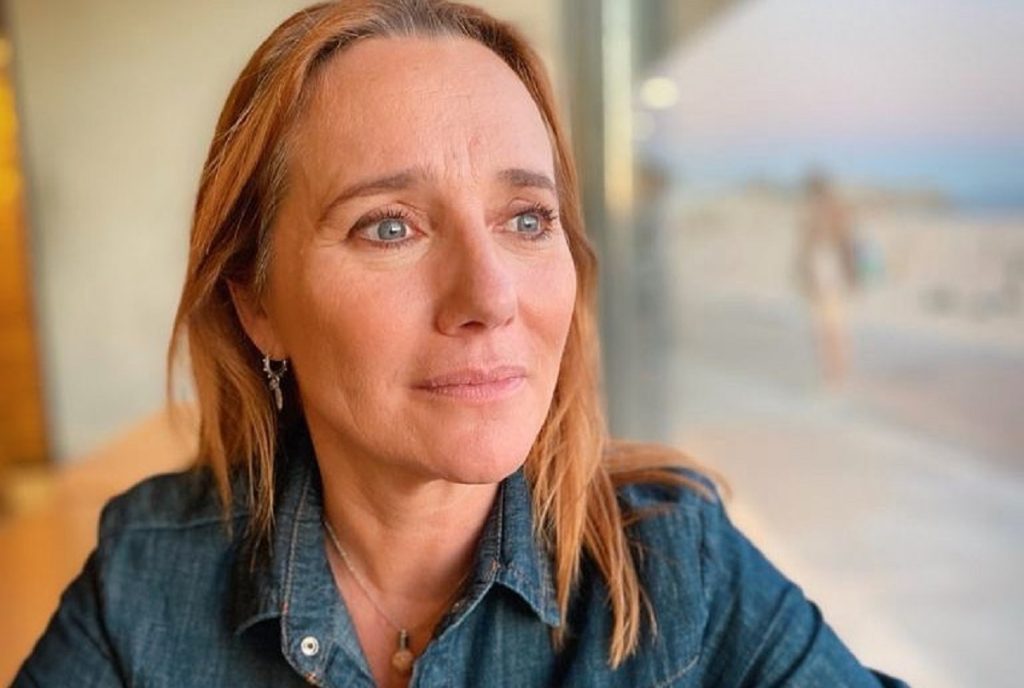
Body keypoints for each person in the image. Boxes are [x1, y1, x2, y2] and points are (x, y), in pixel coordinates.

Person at [16, 2, 906, 686]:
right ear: (256, 304)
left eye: (526, 218)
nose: (490, 297)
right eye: (389, 227)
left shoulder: (674, 569)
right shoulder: (150, 578)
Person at [795, 171, 861, 391]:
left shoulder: (817, 213)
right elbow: (847, 244)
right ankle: (836, 374)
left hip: (826, 271)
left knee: (827, 328)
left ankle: (835, 375)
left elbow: (844, 244)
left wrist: (851, 274)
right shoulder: (831, 211)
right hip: (827, 272)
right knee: (832, 327)